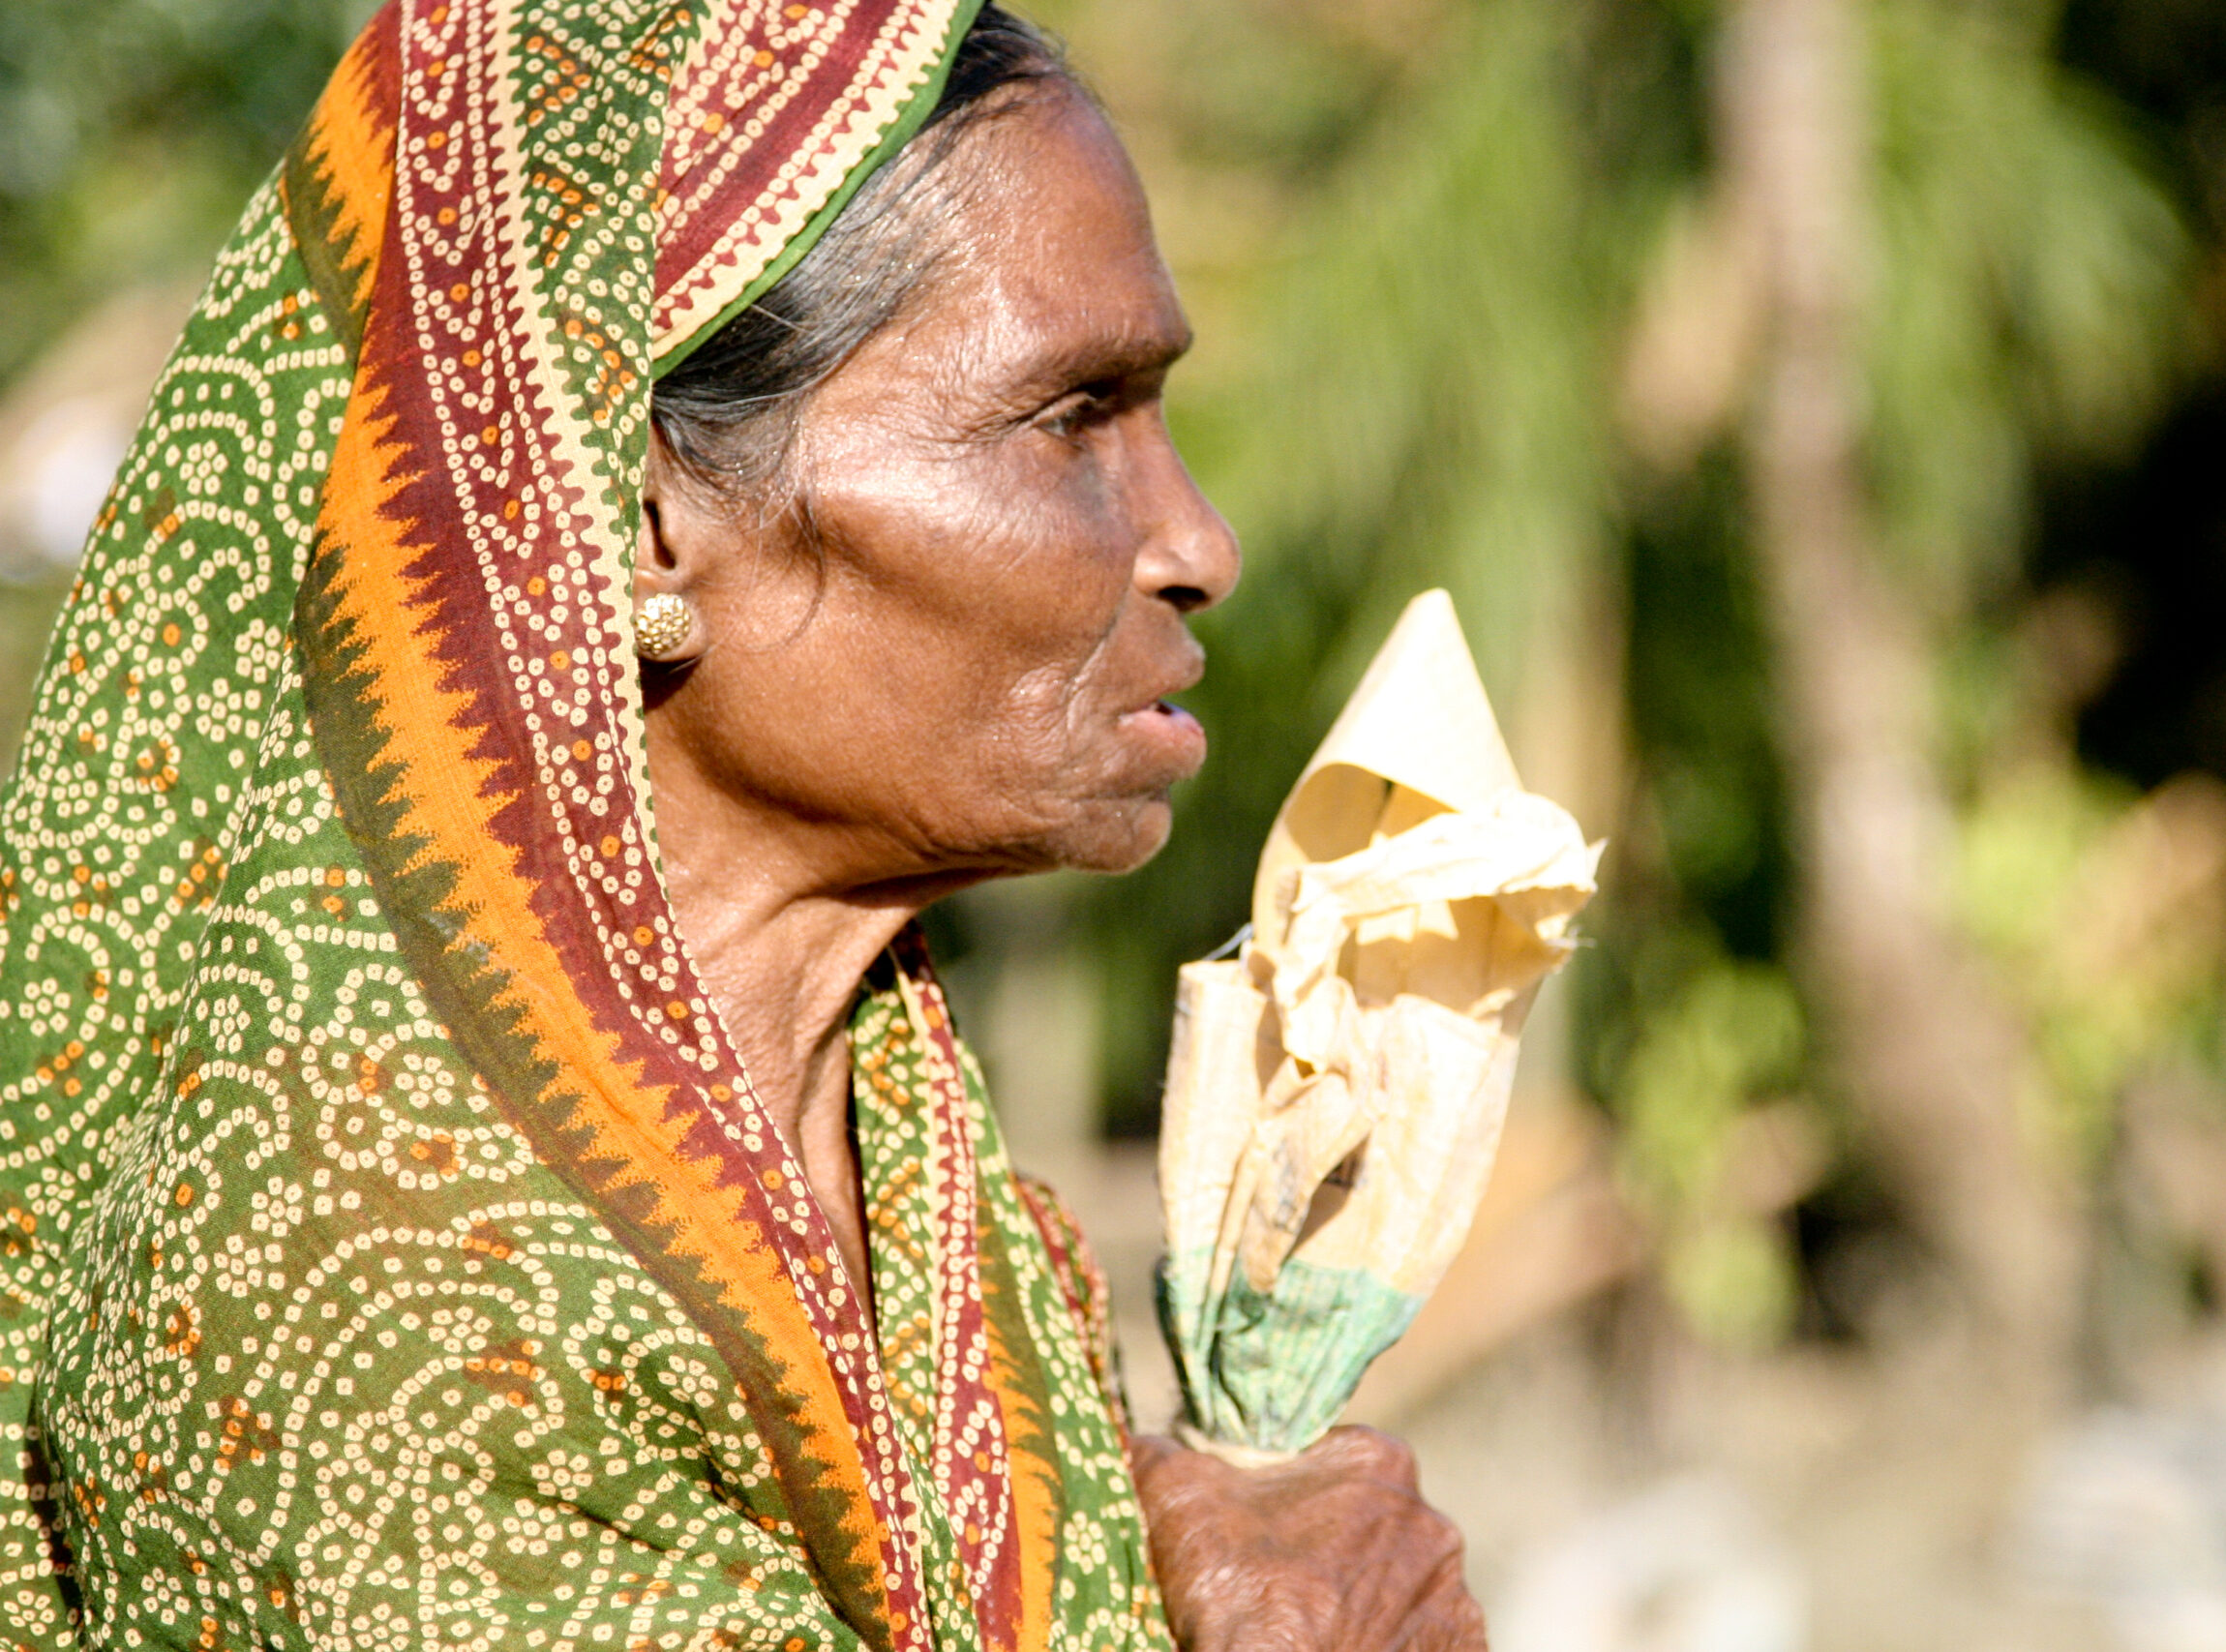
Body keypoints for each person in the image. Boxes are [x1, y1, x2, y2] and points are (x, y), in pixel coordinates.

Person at [0, 1, 1488, 1648]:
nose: (1196, 538)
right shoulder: (374, 1286)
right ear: (638, 513)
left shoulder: (931, 1182)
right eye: (1072, 417)